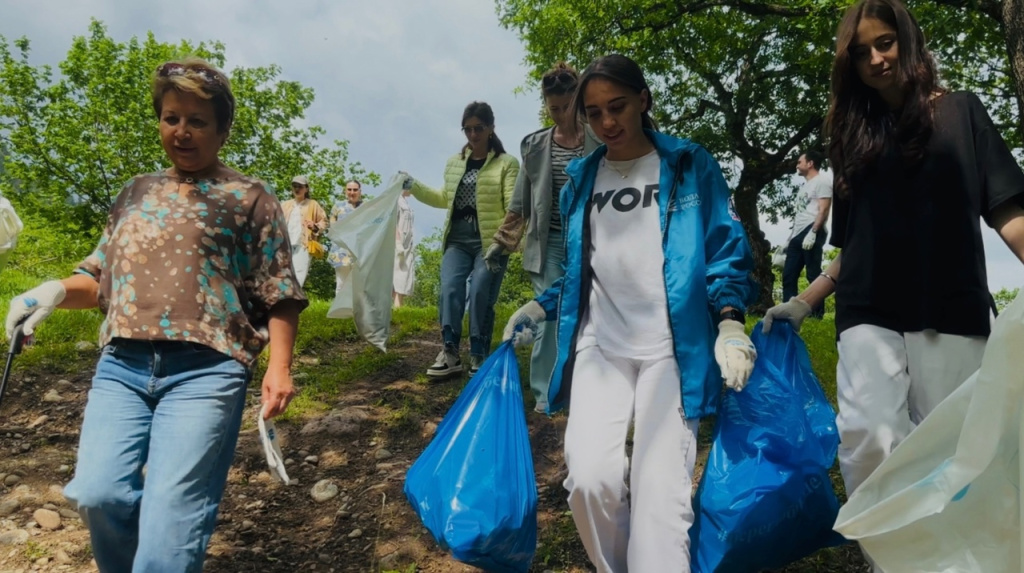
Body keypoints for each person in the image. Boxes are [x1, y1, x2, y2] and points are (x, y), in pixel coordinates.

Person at [3, 57, 306, 572]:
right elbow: (98, 277)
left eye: (197, 121)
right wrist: (50, 291)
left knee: (171, 527)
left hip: (207, 372)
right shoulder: (135, 193)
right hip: (121, 365)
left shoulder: (249, 198)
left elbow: (278, 291)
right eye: (171, 118)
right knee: (98, 494)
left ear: (223, 129)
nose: (181, 132)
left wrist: (279, 368)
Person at [763, 0, 1024, 567]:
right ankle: (893, 562)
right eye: (861, 52)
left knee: (953, 456)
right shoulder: (851, 134)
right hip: (869, 309)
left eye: (886, 43)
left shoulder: (963, 112)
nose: (877, 59)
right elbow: (850, 245)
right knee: (869, 437)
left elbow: (1007, 210)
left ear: (908, 42)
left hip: (951, 308)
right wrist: (805, 301)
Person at [503, 54, 756, 572]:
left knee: (659, 492)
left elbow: (725, 248)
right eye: (594, 113)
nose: (606, 123)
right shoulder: (582, 178)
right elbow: (579, 269)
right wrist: (540, 304)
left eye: (617, 107)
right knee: (589, 478)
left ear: (644, 100)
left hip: (672, 348)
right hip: (604, 345)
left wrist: (730, 319)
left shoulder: (688, 165)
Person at [484, 61, 601, 413]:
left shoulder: (599, 138)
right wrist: (501, 242)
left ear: (577, 101)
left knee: (589, 316)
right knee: (550, 316)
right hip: (547, 245)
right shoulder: (536, 146)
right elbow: (520, 201)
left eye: (567, 107)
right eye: (554, 108)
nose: (561, 115)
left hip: (591, 242)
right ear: (545, 105)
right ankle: (545, 394)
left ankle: (584, 387)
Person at [404, 101, 519, 377]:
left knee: (480, 290)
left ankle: (478, 354)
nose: (473, 135)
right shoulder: (455, 163)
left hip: (490, 240)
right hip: (457, 237)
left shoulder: (507, 164)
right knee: (450, 288)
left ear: (491, 128)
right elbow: (444, 198)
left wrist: (502, 244)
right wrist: (413, 185)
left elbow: (514, 206)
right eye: (467, 129)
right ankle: (450, 352)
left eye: (478, 128)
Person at [781, 149, 832, 318]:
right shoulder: (805, 187)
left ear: (810, 163)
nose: (797, 164)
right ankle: (789, 313)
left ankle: (816, 314)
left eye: (799, 161)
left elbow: (824, 209)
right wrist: (789, 239)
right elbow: (800, 214)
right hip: (798, 234)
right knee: (789, 275)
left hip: (812, 230)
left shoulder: (822, 181)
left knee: (813, 274)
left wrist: (814, 232)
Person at [281, 175, 328, 286]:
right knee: (284, 275)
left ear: (306, 189)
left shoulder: (313, 204)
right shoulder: (285, 205)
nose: (297, 189)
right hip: (285, 245)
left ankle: (294, 301)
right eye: (294, 186)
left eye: (300, 186)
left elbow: (324, 222)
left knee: (299, 275)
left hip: (304, 245)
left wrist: (315, 226)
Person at [328, 180, 364, 298]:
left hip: (360, 251)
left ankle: (357, 311)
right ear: (345, 191)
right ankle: (340, 312)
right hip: (341, 251)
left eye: (355, 190)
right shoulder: (338, 207)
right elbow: (333, 227)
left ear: (360, 191)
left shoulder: (366, 207)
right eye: (349, 189)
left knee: (359, 284)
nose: (352, 192)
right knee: (341, 283)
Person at [393, 185, 416, 307]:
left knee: (403, 274)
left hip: (407, 244)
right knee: (399, 275)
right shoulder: (396, 200)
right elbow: (393, 223)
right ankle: (397, 307)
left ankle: (399, 306)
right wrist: (397, 243)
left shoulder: (404, 201)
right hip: (399, 243)